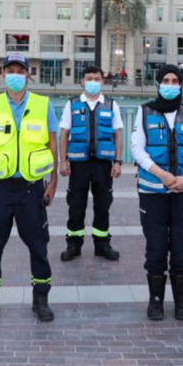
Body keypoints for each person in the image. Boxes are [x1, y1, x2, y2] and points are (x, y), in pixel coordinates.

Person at [0, 54, 59, 323]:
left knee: (37, 245)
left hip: (31, 189)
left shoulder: (43, 105)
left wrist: (53, 181)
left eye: (20, 70)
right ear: (3, 73)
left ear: (28, 74)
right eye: (10, 70)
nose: (15, 74)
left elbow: (52, 145)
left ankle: (40, 298)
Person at [131, 65, 183, 321]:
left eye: (175, 80)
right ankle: (155, 301)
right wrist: (162, 174)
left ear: (181, 85)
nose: (170, 84)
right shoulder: (145, 112)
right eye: (166, 80)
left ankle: (181, 301)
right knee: (155, 248)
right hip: (153, 192)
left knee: (181, 247)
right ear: (158, 83)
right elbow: (137, 150)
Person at [58, 66, 123, 262]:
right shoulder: (72, 104)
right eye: (89, 78)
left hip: (103, 165)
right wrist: (63, 162)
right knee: (76, 206)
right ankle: (73, 245)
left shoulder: (111, 105)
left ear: (103, 82)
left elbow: (118, 135)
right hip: (79, 164)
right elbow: (64, 134)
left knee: (103, 205)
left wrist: (118, 162)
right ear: (82, 81)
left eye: (96, 78)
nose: (93, 81)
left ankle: (102, 245)